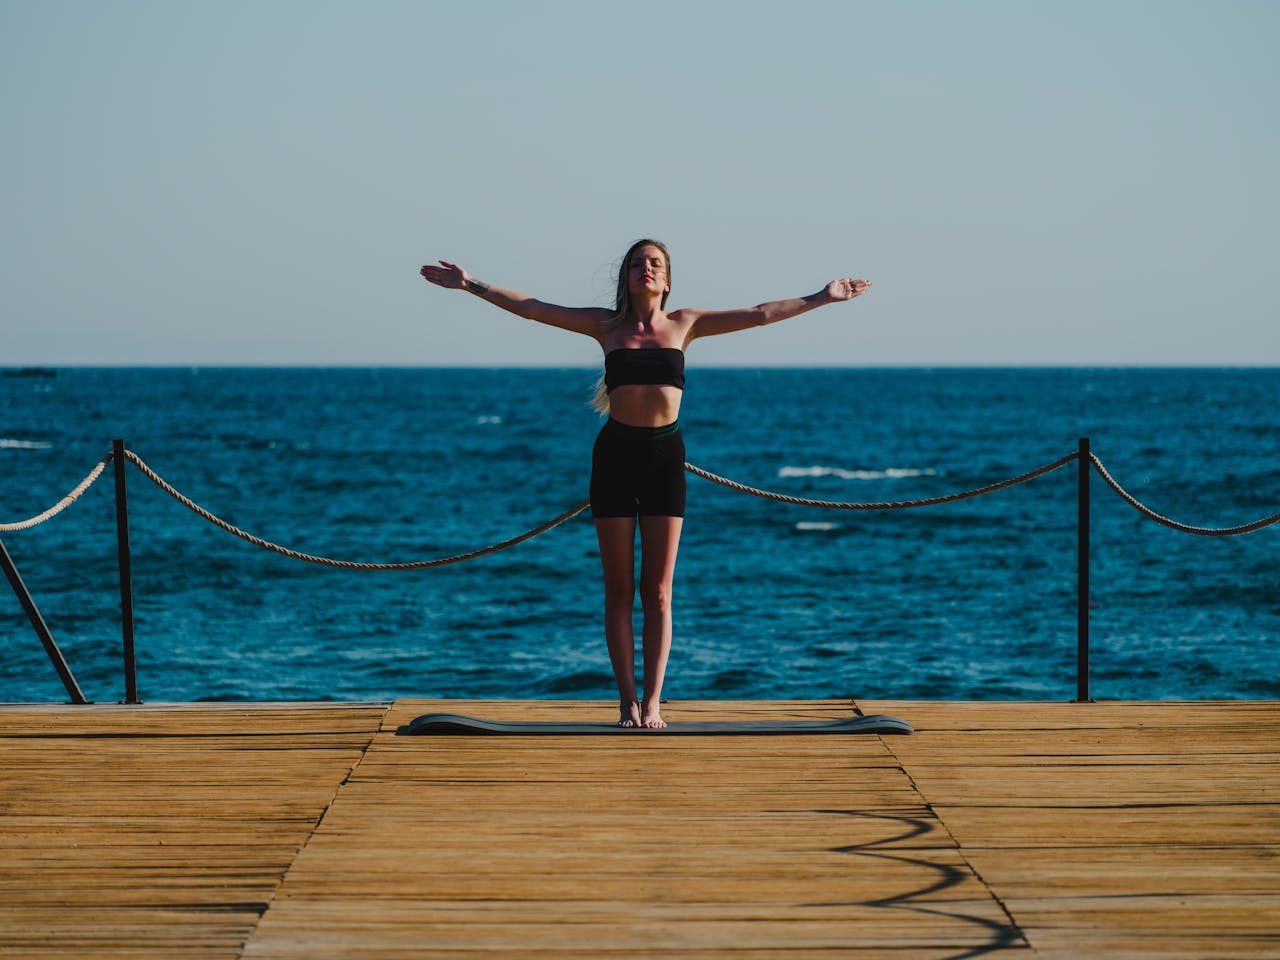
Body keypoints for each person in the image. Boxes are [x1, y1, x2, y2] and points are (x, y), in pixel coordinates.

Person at [420, 240, 871, 728]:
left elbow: (760, 313)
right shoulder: (605, 326)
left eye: (654, 264)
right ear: (627, 278)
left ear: (667, 279)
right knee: (618, 590)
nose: (646, 269)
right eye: (638, 264)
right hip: (614, 457)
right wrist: (471, 284)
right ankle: (626, 703)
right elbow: (533, 309)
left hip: (664, 458)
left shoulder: (686, 323)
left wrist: (822, 297)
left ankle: (654, 702)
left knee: (656, 591)